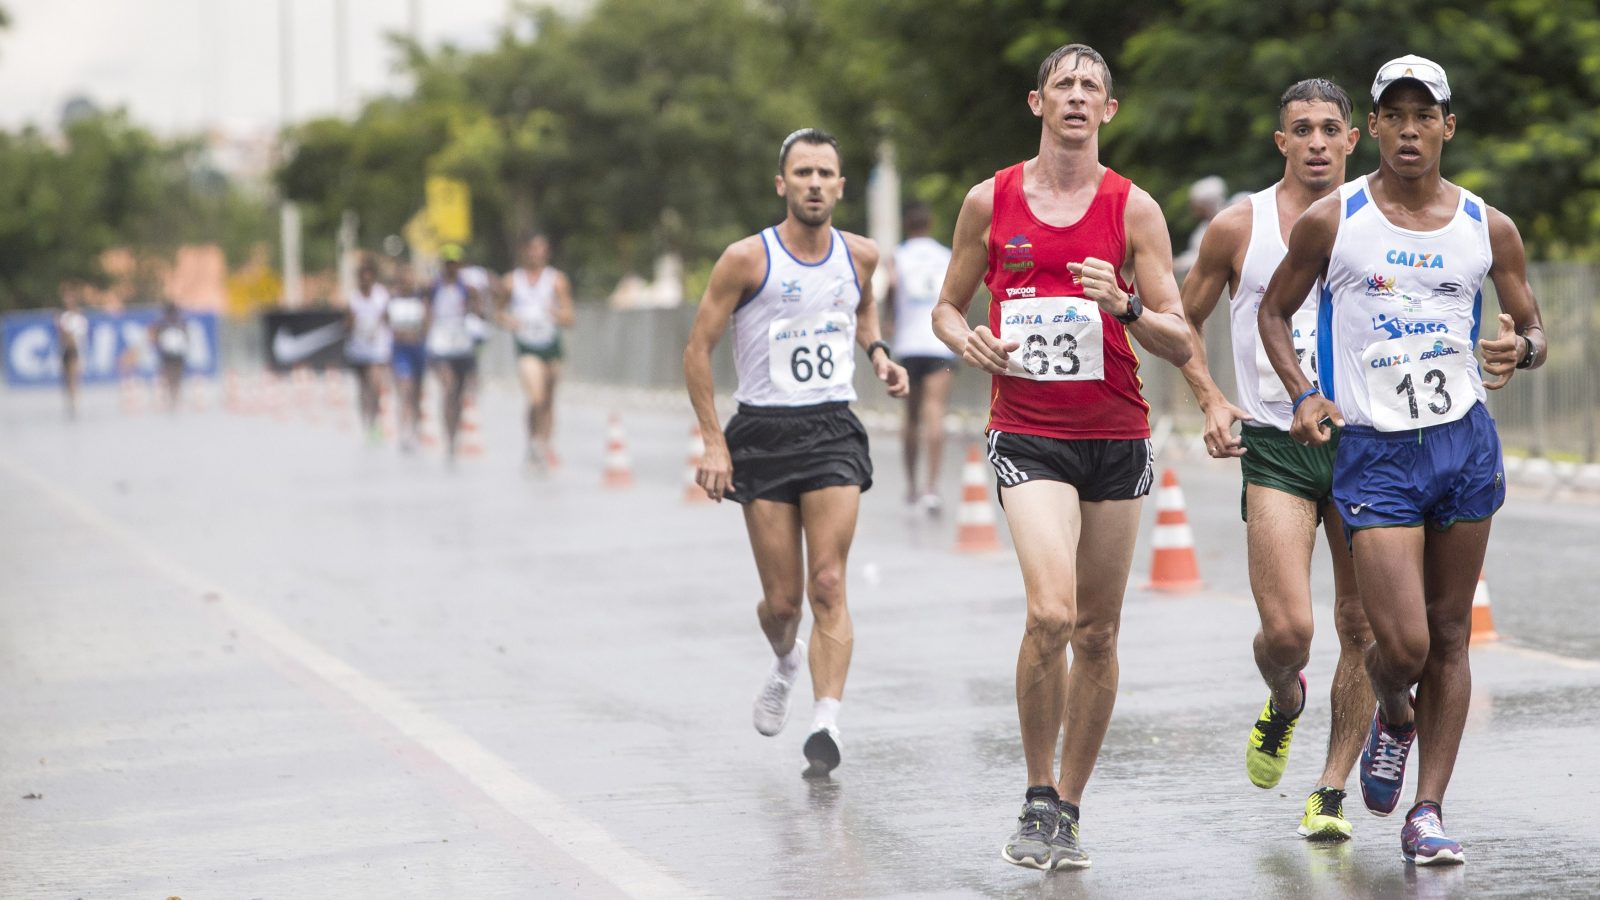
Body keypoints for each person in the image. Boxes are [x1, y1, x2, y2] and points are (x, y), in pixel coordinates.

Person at [1258, 55, 1546, 866]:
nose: (1411, 129)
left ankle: (1428, 810)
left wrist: (1517, 346)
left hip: (1462, 443)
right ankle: (1392, 710)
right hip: (1376, 452)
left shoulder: (1488, 227)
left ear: (1448, 127)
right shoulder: (1333, 219)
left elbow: (1535, 328)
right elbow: (1275, 315)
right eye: (1397, 115)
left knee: (1453, 634)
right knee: (1407, 649)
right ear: (1374, 127)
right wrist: (1305, 393)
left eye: (1428, 115)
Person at [930, 44, 1192, 870]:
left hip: (1115, 434)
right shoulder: (991, 199)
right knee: (1051, 612)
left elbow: (1180, 335)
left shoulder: (1134, 209)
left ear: (1108, 111)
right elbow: (944, 306)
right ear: (1037, 102)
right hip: (1029, 431)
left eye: (1092, 87)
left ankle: (1069, 810)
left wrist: (1128, 303)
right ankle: (1036, 792)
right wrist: (964, 336)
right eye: (1064, 85)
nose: (1078, 97)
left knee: (1100, 633)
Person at [1177, 78, 1374, 841]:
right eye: (1303, 129)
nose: (1319, 141)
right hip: (1274, 444)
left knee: (1358, 626)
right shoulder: (1237, 226)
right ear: (1281, 142)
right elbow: (1177, 321)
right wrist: (1209, 399)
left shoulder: (1380, 220)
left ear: (1353, 141)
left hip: (1367, 443)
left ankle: (1329, 790)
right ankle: (1284, 700)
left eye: (1331, 128)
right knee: (1290, 632)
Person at [684, 128, 907, 778]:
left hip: (833, 427)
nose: (814, 183)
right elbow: (697, 349)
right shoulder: (746, 260)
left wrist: (879, 354)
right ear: (782, 184)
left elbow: (863, 313)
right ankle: (785, 661)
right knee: (783, 604)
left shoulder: (861, 255)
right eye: (802, 173)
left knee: (829, 583)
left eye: (825, 173)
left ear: (841, 185)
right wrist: (714, 441)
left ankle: (826, 721)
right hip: (764, 432)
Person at [882, 201, 958, 514]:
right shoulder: (945, 255)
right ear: (929, 224)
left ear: (906, 225)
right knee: (935, 411)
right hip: (939, 341)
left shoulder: (896, 257)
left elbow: (891, 288)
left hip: (909, 344)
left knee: (911, 418)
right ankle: (932, 487)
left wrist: (889, 320)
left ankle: (912, 486)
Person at [500, 234, 575, 471]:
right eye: (531, 249)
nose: (536, 254)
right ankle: (533, 441)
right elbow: (499, 312)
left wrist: (555, 313)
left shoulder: (557, 280)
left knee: (549, 400)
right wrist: (510, 321)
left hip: (550, 344)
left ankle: (545, 443)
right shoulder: (512, 281)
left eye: (540, 249)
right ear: (524, 251)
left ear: (547, 252)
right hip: (527, 345)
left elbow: (570, 316)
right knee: (536, 396)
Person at [424, 245, 485, 462]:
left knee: (459, 392)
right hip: (441, 343)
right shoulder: (434, 287)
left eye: (454, 263)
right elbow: (428, 313)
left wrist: (475, 308)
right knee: (448, 388)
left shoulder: (467, 288)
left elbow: (480, 312)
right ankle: (448, 438)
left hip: (461, 343)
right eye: (447, 263)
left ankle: (455, 433)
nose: (451, 267)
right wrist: (427, 340)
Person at [344, 257, 393, 442]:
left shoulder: (381, 295)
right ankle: (366, 422)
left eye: (368, 277)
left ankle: (375, 422)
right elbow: (347, 324)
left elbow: (387, 319)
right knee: (363, 387)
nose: (365, 280)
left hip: (377, 348)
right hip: (358, 348)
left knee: (375, 384)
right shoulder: (353, 298)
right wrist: (355, 323)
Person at [387, 265, 429, 452]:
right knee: (405, 389)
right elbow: (385, 324)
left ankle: (416, 429)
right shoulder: (392, 301)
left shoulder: (421, 300)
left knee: (417, 393)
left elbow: (428, 323)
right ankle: (404, 431)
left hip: (418, 349)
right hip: (400, 350)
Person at [1173, 175, 1228, 279]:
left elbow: (1208, 259)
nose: (1193, 209)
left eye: (1195, 204)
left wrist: (1178, 264)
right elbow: (1196, 254)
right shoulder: (1203, 228)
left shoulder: (1227, 224)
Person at [149, 301, 189, 412]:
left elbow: (155, 339)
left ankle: (173, 400)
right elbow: (186, 338)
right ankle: (172, 400)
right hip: (173, 354)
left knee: (171, 378)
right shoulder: (180, 323)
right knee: (173, 378)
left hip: (171, 355)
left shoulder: (163, 324)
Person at [56, 293, 89, 420]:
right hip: (65, 350)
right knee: (66, 379)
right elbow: (61, 335)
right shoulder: (63, 317)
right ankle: (69, 402)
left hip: (75, 350)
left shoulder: (79, 319)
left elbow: (78, 337)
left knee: (74, 377)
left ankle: (76, 404)